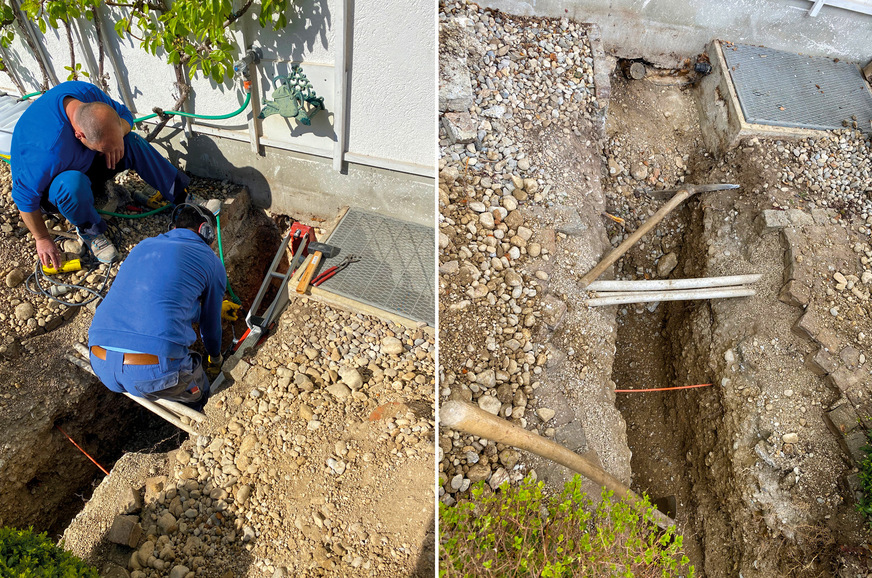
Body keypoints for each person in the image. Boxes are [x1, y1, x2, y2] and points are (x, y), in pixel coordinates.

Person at [10, 80, 190, 267]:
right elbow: (24, 198)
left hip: (85, 162)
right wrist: (42, 238)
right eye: (107, 148)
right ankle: (90, 230)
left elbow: (125, 115)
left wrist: (118, 138)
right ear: (79, 135)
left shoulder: (88, 95)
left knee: (132, 141)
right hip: (57, 188)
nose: (114, 150)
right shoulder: (46, 151)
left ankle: (182, 198)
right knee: (71, 183)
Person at [88, 204, 227, 405]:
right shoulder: (212, 262)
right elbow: (210, 326)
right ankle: (199, 407)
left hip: (100, 362)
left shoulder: (143, 246)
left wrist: (197, 311)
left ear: (173, 228)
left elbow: (157, 299)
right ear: (206, 231)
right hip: (151, 372)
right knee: (200, 391)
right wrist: (215, 358)